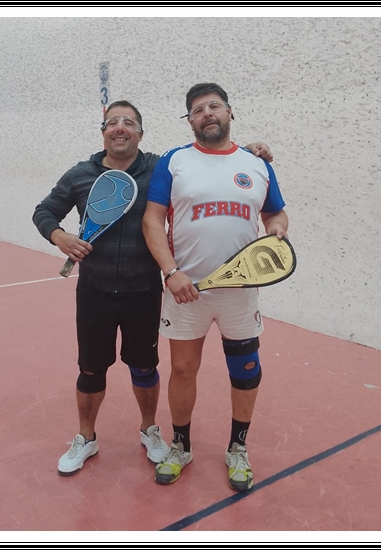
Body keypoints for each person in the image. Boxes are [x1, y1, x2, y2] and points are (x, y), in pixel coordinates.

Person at [33, 99, 274, 476]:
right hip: (94, 291)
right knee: (91, 371)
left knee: (144, 366)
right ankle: (86, 437)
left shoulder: (160, 168)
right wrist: (58, 235)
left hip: (144, 291)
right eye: (113, 122)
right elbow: (44, 211)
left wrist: (249, 150)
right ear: (103, 132)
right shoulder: (80, 174)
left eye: (129, 122)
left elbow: (210, 158)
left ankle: (150, 430)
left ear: (141, 134)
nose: (120, 127)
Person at [142, 83, 289, 491]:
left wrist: (277, 230)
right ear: (190, 121)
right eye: (197, 110)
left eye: (214, 106)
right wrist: (171, 272)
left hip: (241, 294)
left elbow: (276, 214)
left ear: (229, 112)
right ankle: (181, 446)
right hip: (185, 291)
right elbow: (152, 220)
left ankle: (238, 448)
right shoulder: (174, 161)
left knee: (245, 371)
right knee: (182, 369)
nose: (207, 113)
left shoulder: (257, 164)